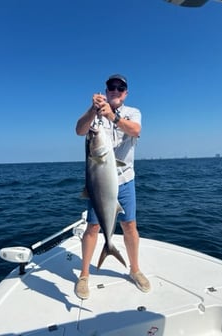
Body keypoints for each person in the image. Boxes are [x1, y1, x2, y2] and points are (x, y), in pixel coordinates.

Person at [75, 74, 150, 299]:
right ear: (106, 91)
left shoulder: (133, 112)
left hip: (125, 180)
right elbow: (80, 130)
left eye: (120, 88)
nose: (115, 90)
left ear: (125, 93)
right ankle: (84, 275)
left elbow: (136, 130)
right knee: (92, 228)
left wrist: (113, 116)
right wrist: (93, 110)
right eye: (112, 87)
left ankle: (134, 270)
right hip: (99, 183)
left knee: (130, 226)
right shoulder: (95, 116)